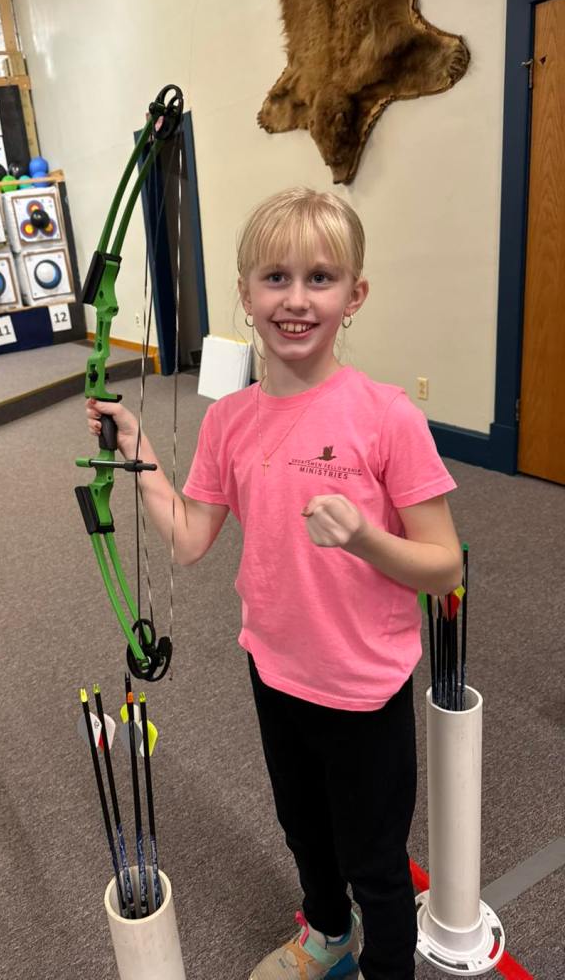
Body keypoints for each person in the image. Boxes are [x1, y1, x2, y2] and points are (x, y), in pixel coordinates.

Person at [85, 187, 462, 980]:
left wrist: (366, 538)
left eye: (321, 279)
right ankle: (326, 932)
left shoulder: (387, 417)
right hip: (275, 667)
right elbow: (190, 540)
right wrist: (140, 448)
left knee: (376, 860)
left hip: (363, 686)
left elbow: (445, 566)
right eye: (275, 278)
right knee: (304, 828)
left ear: (354, 296)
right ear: (245, 294)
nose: (296, 299)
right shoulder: (228, 421)